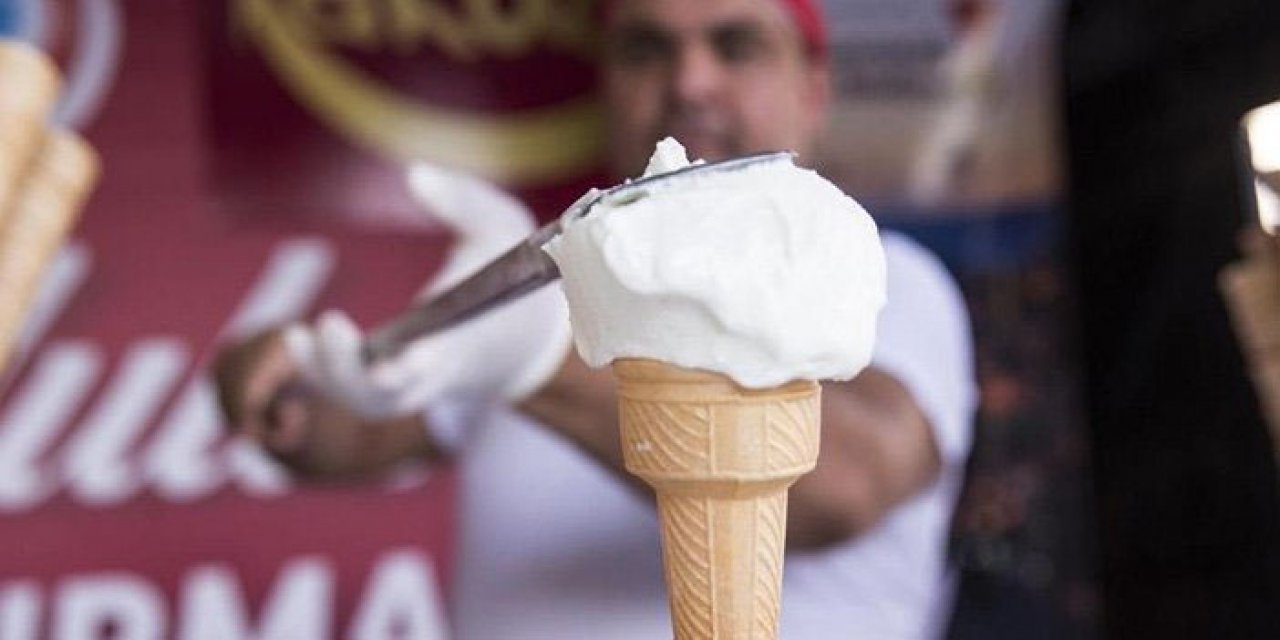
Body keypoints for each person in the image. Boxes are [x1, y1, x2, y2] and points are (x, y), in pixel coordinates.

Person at [215, 0, 977, 637]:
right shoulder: (555, 279)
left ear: (815, 86)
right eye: (646, 50)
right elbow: (331, 432)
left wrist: (539, 355)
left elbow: (848, 488)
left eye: (736, 45)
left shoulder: (888, 280)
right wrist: (285, 367)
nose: (690, 81)